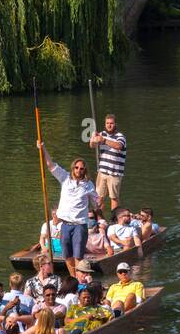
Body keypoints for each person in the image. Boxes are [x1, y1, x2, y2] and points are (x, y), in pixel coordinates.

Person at [36, 140, 100, 278]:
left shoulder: (88, 185)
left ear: (85, 170)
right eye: (76, 167)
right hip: (65, 225)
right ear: (73, 168)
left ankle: (80, 280)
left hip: (79, 225)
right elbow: (50, 165)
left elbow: (96, 202)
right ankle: (74, 278)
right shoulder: (65, 178)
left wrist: (98, 203)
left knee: (78, 256)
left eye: (81, 168)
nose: (78, 170)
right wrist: (42, 148)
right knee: (67, 256)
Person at [90, 113, 127, 217]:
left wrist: (104, 140)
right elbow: (92, 145)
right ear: (105, 124)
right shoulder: (102, 134)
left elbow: (118, 146)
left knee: (113, 198)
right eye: (107, 123)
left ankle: (113, 220)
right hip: (102, 172)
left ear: (115, 124)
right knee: (99, 198)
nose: (109, 125)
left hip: (115, 173)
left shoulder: (120, 136)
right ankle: (99, 219)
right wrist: (93, 139)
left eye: (111, 123)